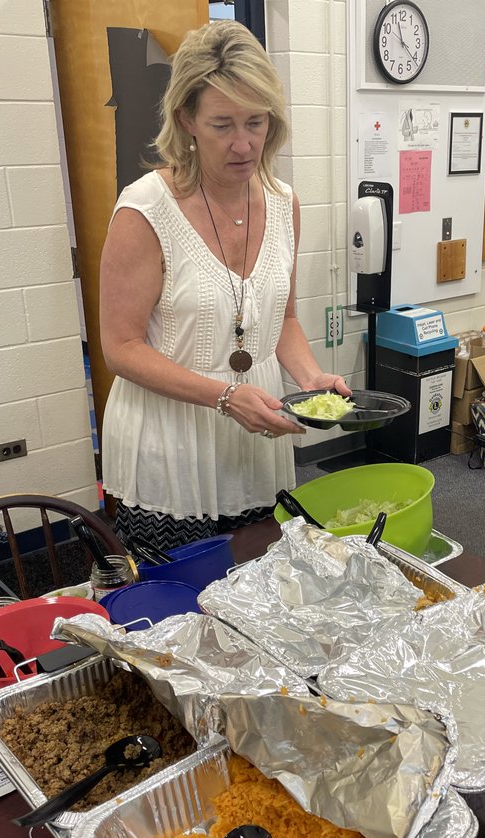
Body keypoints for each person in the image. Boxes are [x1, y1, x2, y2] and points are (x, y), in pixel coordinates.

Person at [99, 20, 349, 549]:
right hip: (170, 447)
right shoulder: (145, 211)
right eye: (222, 125)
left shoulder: (283, 204)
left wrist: (309, 380)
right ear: (186, 118)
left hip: (255, 437)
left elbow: (281, 319)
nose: (243, 144)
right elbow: (120, 349)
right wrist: (224, 396)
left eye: (256, 122)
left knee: (259, 598)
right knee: (176, 614)